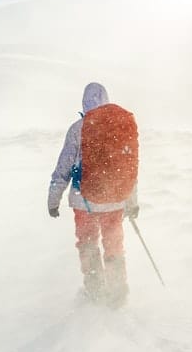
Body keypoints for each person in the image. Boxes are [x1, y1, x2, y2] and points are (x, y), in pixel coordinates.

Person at [48, 82, 139, 307]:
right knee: (113, 245)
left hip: (83, 201)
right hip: (115, 202)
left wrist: (53, 199)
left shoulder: (78, 128)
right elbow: (128, 168)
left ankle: (95, 289)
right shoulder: (118, 128)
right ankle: (118, 294)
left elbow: (64, 167)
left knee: (88, 244)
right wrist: (132, 202)